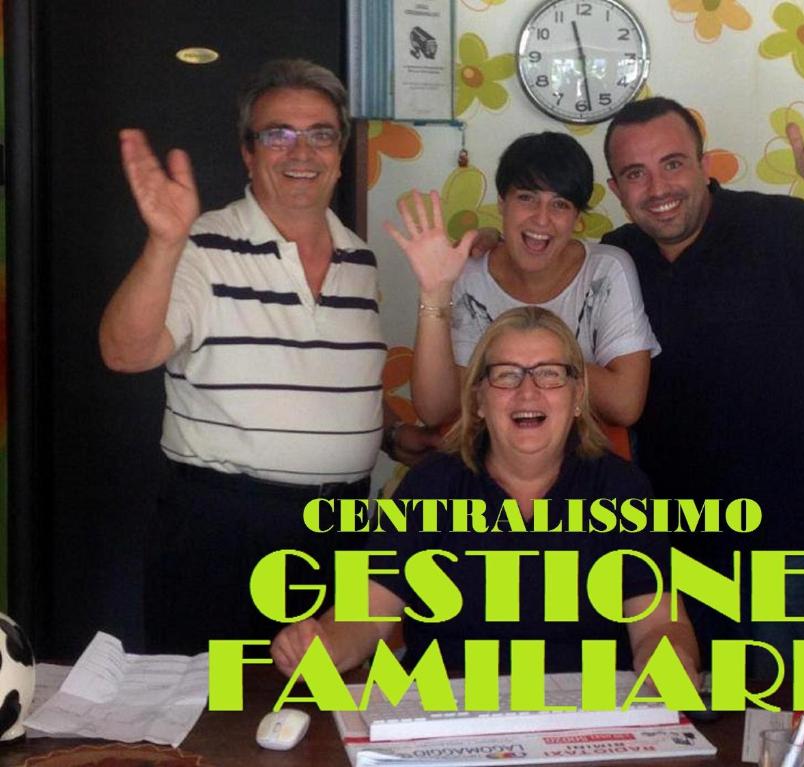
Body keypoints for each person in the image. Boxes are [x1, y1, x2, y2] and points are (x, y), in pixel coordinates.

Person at [98, 59, 439, 654]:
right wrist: (163, 244)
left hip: (342, 530)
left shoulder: (361, 259)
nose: (300, 151)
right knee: (212, 710)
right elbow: (126, 352)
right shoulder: (202, 245)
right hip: (222, 528)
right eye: (277, 133)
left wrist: (386, 434)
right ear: (248, 153)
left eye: (320, 134)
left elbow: (322, 378)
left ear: (340, 152)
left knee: (325, 709)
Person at [599, 97, 804, 672]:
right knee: (683, 709)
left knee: (768, 713)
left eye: (673, 164)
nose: (658, 187)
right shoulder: (614, 260)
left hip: (782, 538)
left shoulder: (779, 228)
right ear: (617, 188)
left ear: (703, 163)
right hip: (670, 540)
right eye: (635, 174)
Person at [271, 307, 699, 681]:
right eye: (506, 375)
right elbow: (366, 612)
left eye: (549, 374)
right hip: (445, 720)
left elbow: (659, 622)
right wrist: (321, 647)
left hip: (584, 721)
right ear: (478, 399)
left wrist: (670, 662)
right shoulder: (430, 485)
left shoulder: (621, 488)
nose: (527, 392)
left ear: (577, 397)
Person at [385, 132, 659, 433]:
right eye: (527, 198)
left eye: (560, 205)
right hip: (486, 463)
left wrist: (510, 363)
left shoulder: (606, 270)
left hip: (585, 465)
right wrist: (435, 293)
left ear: (577, 217)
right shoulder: (468, 274)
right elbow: (437, 410)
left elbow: (625, 405)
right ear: (502, 203)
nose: (541, 219)